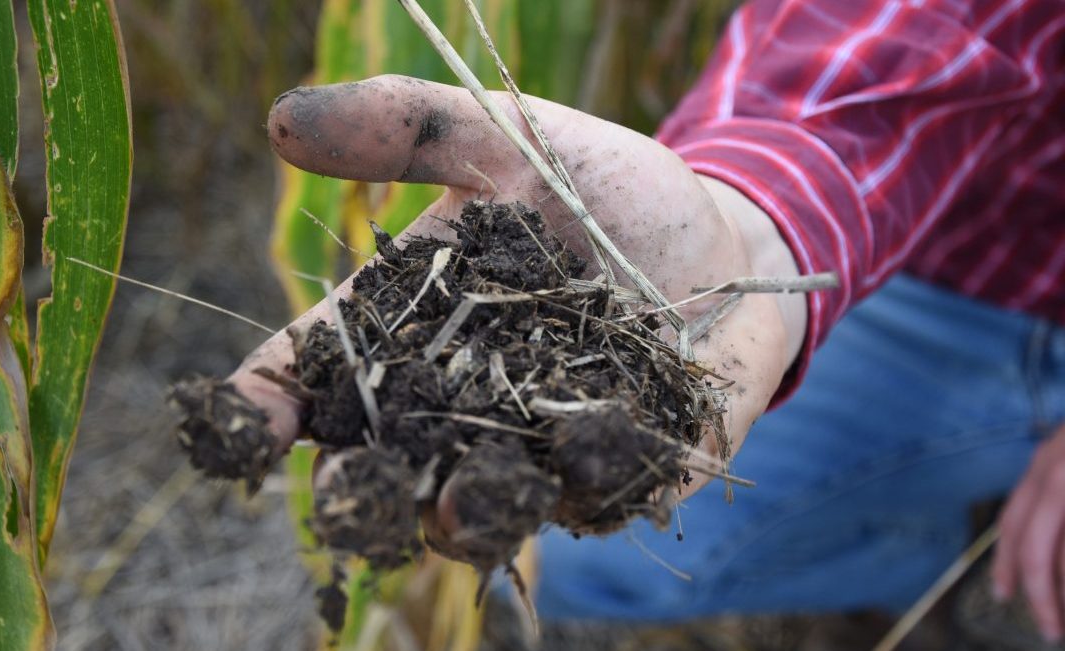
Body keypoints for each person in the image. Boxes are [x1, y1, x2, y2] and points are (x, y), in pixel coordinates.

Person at [228, 0, 1065, 643]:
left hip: (1026, 329)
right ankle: (936, 546)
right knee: (570, 553)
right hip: (952, 265)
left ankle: (970, 550)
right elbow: (907, 32)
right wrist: (748, 232)